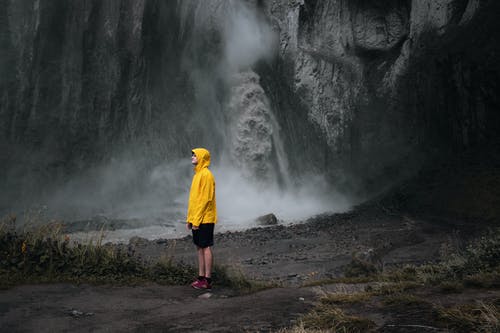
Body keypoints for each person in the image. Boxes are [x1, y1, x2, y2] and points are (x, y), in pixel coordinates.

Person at [186, 148, 217, 289]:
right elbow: (193, 200)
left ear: (202, 157)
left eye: (195, 155)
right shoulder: (197, 174)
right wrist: (190, 219)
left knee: (205, 247)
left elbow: (205, 200)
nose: (192, 156)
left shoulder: (206, 175)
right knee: (199, 247)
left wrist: (197, 220)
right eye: (192, 154)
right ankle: (200, 277)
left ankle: (208, 280)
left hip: (205, 218)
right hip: (197, 218)